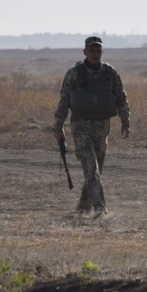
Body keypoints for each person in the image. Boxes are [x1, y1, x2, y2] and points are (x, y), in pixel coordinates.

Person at [53, 36, 131, 218]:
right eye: (91, 50)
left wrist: (125, 120)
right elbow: (64, 101)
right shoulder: (74, 74)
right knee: (91, 167)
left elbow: (121, 97)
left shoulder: (110, 73)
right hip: (81, 128)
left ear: (102, 52)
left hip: (102, 129)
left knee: (95, 170)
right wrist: (58, 127)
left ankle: (82, 207)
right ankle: (100, 209)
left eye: (98, 50)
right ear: (85, 52)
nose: (95, 54)